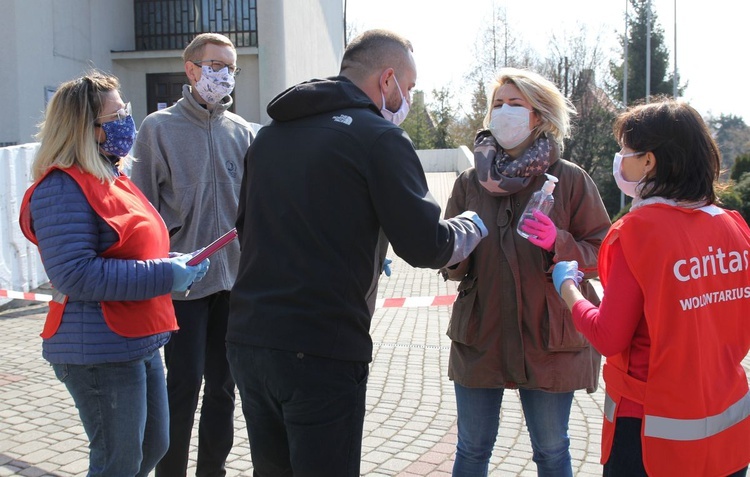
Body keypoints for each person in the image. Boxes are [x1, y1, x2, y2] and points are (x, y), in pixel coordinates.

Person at [225, 29, 488, 476]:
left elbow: (246, 228)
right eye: (409, 87)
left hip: (249, 340)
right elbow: (427, 245)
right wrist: (472, 225)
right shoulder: (379, 138)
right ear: (388, 80)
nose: (409, 98)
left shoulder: (270, 136)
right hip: (321, 348)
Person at [18, 71, 209, 477]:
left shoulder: (111, 175)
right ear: (86, 129)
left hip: (134, 338)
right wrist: (164, 275)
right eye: (117, 114)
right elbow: (76, 274)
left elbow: (130, 246)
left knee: (153, 446)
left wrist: (176, 261)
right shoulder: (61, 187)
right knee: (117, 463)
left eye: (126, 110)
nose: (127, 119)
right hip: (98, 349)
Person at [553, 98, 750, 477]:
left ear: (649, 161)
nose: (620, 159)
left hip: (650, 433)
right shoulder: (733, 226)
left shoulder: (639, 232)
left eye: (625, 150)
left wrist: (568, 289)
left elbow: (608, 337)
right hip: (728, 430)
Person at [439, 67, 611, 477]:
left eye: (516, 104)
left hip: (548, 338)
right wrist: (454, 249)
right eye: (498, 104)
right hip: (481, 333)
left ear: (539, 115)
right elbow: (450, 261)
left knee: (552, 451)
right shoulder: (469, 182)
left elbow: (604, 252)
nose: (504, 112)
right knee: (471, 449)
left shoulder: (569, 179)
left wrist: (559, 242)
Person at [130, 32, 255, 477]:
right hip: (182, 287)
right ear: (191, 69)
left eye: (230, 67)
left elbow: (255, 209)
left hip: (232, 285)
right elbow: (140, 210)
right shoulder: (157, 129)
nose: (223, 75)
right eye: (215, 65)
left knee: (224, 388)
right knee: (182, 387)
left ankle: (212, 472)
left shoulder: (242, 132)